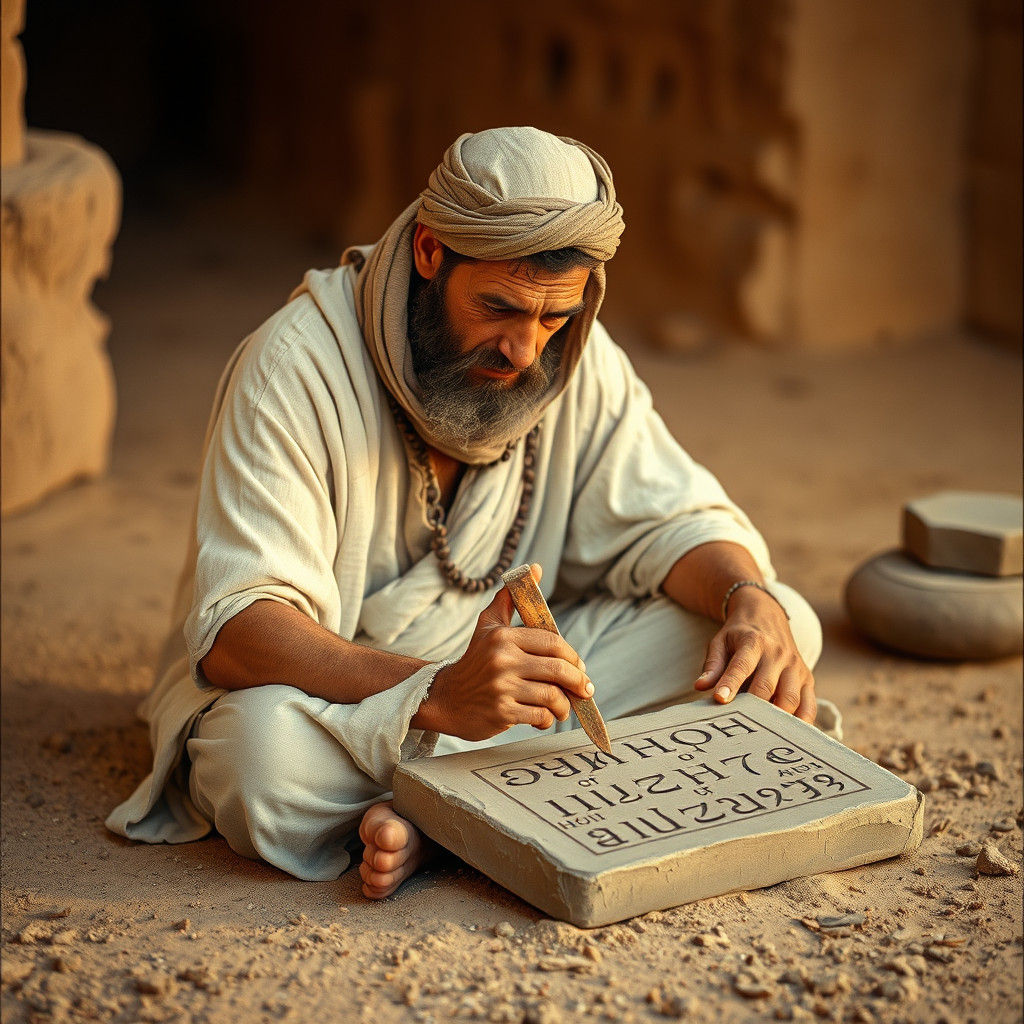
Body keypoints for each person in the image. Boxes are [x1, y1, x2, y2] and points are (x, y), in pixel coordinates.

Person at [107, 126, 825, 900]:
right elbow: (240, 631)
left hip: (506, 698)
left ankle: (433, 817)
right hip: (348, 702)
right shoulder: (293, 367)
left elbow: (673, 520)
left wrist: (744, 599)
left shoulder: (568, 355)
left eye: (552, 319)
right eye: (499, 307)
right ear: (428, 253)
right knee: (259, 765)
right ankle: (495, 807)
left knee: (772, 619)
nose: (524, 352)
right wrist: (440, 693)